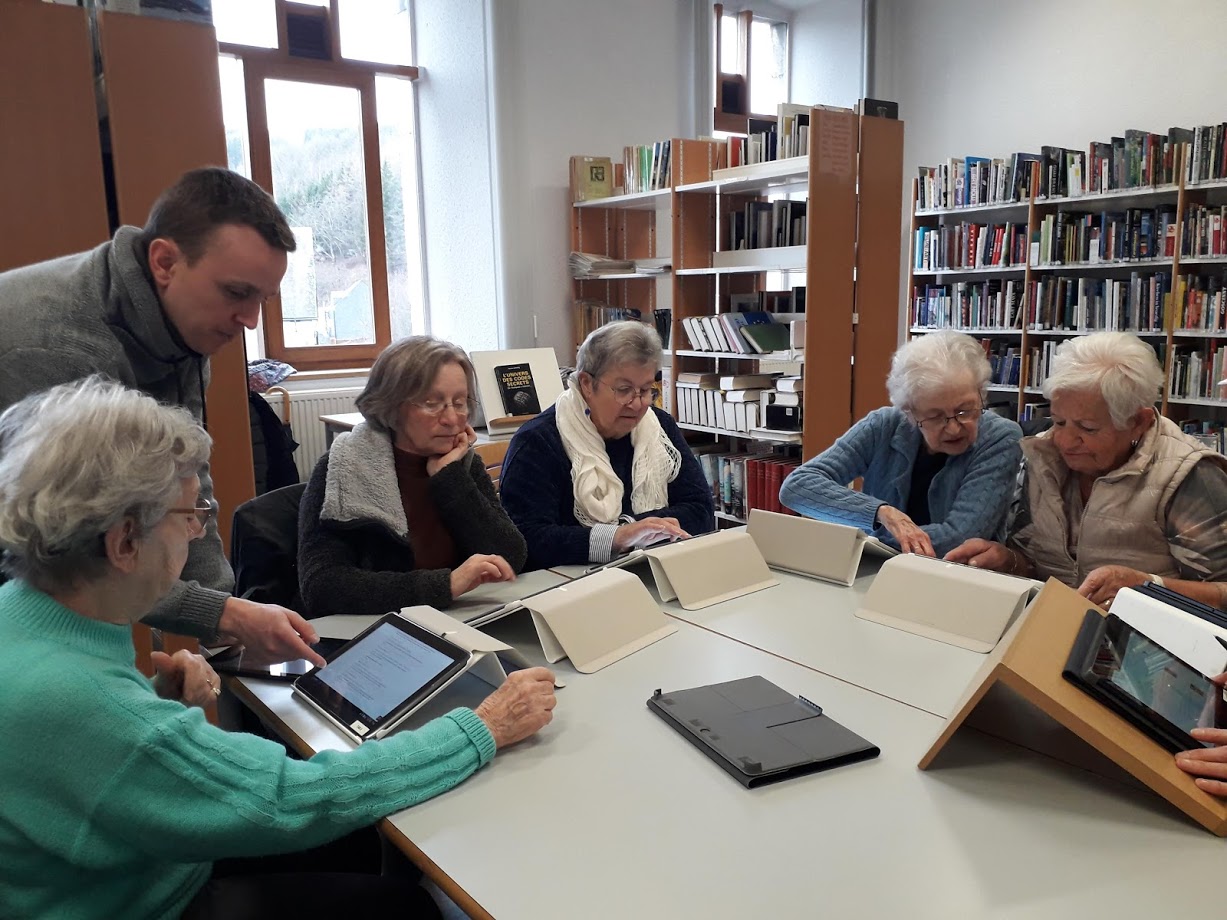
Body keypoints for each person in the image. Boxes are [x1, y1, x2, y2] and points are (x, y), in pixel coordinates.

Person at [0, 378, 557, 919]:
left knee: (363, 844)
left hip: (122, 867)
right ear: (124, 541)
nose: (196, 533)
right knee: (406, 904)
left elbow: (87, 760)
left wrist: (155, 701)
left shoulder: (24, 614)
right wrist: (482, 727)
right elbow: (286, 797)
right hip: (153, 899)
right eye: (190, 516)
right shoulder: (83, 701)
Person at [0, 167, 324, 667]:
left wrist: (224, 619)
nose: (250, 320)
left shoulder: (182, 325)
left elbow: (187, 483)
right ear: (165, 262)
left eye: (262, 299)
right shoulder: (59, 348)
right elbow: (81, 554)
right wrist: (223, 616)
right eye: (237, 293)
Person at [946, 331, 1227, 608]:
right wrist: (1008, 561)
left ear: (1138, 422)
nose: (1065, 441)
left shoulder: (1188, 475)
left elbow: (1222, 593)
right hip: (1052, 624)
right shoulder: (1045, 456)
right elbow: (1035, 563)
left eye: (1088, 428)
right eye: (1058, 421)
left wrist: (1147, 588)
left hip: (1143, 636)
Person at [298, 336, 528, 617]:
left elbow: (511, 556)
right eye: (432, 403)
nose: (452, 419)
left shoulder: (462, 464)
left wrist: (449, 478)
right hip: (380, 629)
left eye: (460, 402)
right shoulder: (346, 465)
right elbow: (321, 586)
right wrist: (446, 585)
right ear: (392, 406)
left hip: (458, 620)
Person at [779, 330, 1023, 556]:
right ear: (909, 412)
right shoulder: (884, 425)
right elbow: (796, 487)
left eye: (965, 410)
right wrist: (881, 513)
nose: (953, 427)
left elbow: (958, 539)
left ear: (981, 394)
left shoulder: (1000, 438)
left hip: (956, 576)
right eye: (935, 416)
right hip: (876, 568)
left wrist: (865, 538)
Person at [500, 321, 715, 570]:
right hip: (571, 583)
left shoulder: (660, 426)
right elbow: (528, 540)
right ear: (586, 384)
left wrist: (633, 529)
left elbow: (701, 510)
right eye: (624, 390)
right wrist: (617, 537)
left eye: (646, 390)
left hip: (651, 570)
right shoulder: (537, 442)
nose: (638, 404)